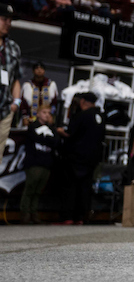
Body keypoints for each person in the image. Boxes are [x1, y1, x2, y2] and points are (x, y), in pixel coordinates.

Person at [57, 91, 105, 224]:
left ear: (82, 102)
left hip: (76, 158)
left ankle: (68, 217)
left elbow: (70, 133)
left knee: (71, 187)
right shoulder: (100, 117)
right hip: (92, 159)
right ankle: (81, 217)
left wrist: (60, 131)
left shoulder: (81, 115)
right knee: (85, 188)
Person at [20, 104, 58, 223]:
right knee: (30, 188)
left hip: (46, 163)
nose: (47, 115)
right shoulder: (33, 127)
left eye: (49, 113)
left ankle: (34, 212)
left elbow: (55, 142)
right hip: (35, 162)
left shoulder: (51, 128)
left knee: (38, 190)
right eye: (44, 112)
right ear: (38, 113)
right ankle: (25, 213)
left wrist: (46, 139)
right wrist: (47, 140)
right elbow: (35, 138)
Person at [0, 5, 21, 153]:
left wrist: (16, 103)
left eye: (10, 20)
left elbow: (16, 79)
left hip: (5, 110)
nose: (8, 23)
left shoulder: (14, 48)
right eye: (4, 19)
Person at [21, 60, 57, 125]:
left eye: (41, 68)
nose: (39, 70)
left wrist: (51, 115)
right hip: (30, 118)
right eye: (37, 68)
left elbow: (54, 103)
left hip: (46, 118)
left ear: (44, 71)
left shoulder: (51, 84)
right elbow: (23, 103)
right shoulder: (27, 85)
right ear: (33, 71)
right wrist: (24, 117)